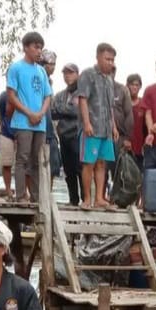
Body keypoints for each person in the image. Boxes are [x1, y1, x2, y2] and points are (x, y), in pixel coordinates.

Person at [6, 32, 51, 202]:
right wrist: (29, 113)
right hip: (23, 122)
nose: (38, 51)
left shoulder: (41, 71)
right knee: (22, 159)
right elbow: (11, 95)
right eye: (35, 47)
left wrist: (40, 113)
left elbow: (47, 95)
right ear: (26, 47)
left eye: (40, 47)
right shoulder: (16, 68)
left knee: (37, 161)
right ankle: (20, 195)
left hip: (40, 123)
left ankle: (37, 196)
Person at [76, 44, 118, 210]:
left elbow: (110, 106)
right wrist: (86, 123)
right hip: (92, 127)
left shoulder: (109, 79)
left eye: (112, 60)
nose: (110, 62)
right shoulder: (88, 75)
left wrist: (114, 126)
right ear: (98, 57)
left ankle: (100, 198)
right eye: (107, 59)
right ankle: (87, 198)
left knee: (102, 164)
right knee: (89, 163)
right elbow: (83, 99)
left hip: (106, 128)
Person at [51, 63, 82, 205]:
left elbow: (79, 112)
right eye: (65, 73)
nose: (67, 76)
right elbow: (52, 112)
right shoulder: (60, 95)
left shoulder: (83, 93)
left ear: (77, 74)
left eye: (70, 73)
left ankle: (86, 199)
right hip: (64, 137)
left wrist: (64, 110)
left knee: (80, 169)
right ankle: (73, 199)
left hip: (78, 136)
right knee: (68, 171)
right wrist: (68, 110)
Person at [40, 50, 61, 182]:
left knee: (53, 163)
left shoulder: (50, 82)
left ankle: (48, 192)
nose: (52, 67)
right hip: (39, 124)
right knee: (37, 162)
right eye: (50, 63)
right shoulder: (38, 79)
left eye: (54, 64)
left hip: (51, 127)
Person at [0, 89, 14, 199]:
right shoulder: (3, 96)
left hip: (22, 132)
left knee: (24, 164)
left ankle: (24, 191)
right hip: (6, 132)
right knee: (6, 163)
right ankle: (8, 189)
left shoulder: (23, 93)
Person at [111, 67, 134, 154]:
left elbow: (129, 115)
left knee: (118, 166)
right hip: (99, 135)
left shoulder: (122, 89)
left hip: (119, 137)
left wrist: (127, 138)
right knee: (100, 166)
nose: (110, 73)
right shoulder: (95, 88)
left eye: (112, 71)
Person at [125, 73, 144, 170]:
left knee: (139, 176)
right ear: (127, 85)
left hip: (140, 147)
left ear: (140, 87)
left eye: (137, 85)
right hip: (124, 145)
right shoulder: (122, 103)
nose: (134, 87)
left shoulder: (143, 103)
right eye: (132, 84)